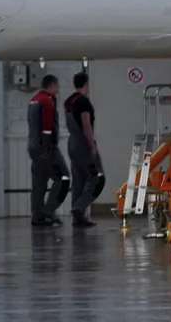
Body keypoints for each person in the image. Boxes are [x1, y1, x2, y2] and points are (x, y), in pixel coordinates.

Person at [27, 75, 69, 226]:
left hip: (33, 147)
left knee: (39, 183)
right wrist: (46, 147)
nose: (58, 89)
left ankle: (37, 216)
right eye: (57, 86)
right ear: (51, 86)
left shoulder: (33, 100)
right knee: (63, 177)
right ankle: (49, 210)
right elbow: (46, 128)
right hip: (46, 148)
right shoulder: (47, 101)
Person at [64, 72, 105, 228]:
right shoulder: (83, 102)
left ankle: (78, 218)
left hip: (72, 143)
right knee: (97, 178)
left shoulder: (69, 101)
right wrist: (92, 146)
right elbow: (86, 125)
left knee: (78, 180)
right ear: (86, 84)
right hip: (83, 144)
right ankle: (79, 208)